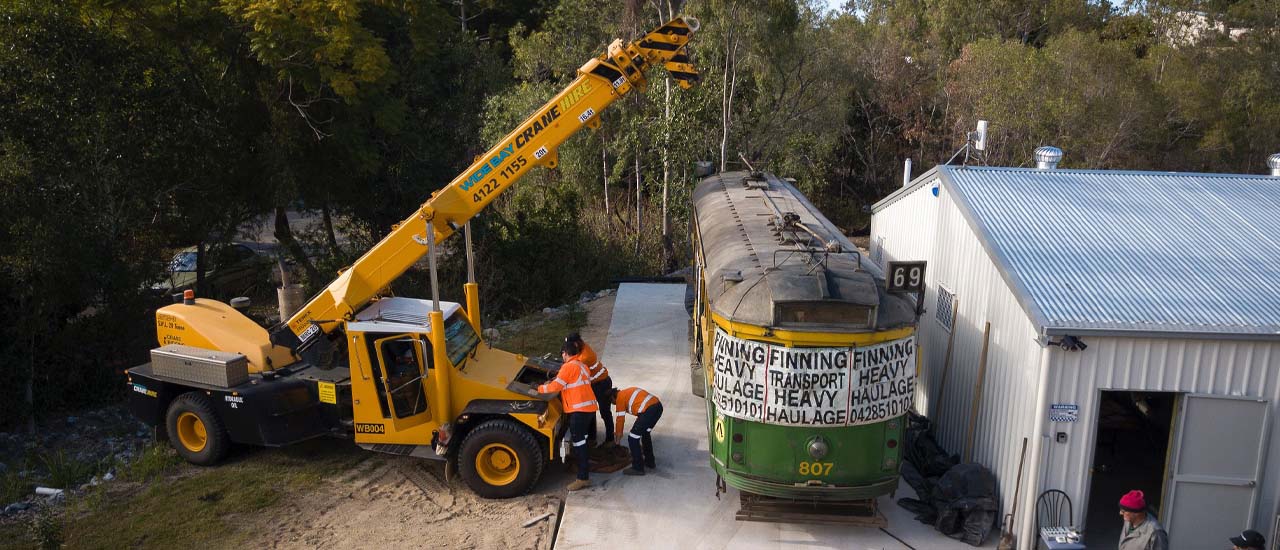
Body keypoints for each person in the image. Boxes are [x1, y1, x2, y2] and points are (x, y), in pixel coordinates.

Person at [536, 339, 598, 491]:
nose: (562, 357)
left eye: (562, 354)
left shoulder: (568, 367)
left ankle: (583, 478)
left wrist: (539, 389)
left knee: (579, 443)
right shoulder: (582, 366)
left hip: (579, 411)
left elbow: (556, 386)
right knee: (582, 441)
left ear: (565, 353)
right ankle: (583, 473)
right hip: (588, 409)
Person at [566, 333, 614, 447]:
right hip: (594, 384)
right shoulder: (582, 346)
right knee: (590, 410)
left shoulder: (585, 357)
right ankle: (592, 438)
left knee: (605, 412)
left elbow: (573, 368)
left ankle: (610, 439)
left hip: (601, 384)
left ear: (576, 344)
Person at [610, 386, 663, 476]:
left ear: (612, 397)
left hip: (649, 411)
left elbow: (620, 420)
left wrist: (617, 442)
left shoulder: (620, 398)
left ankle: (638, 468)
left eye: (613, 403)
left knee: (633, 438)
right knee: (645, 434)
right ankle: (650, 462)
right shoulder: (627, 392)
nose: (614, 405)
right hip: (658, 407)